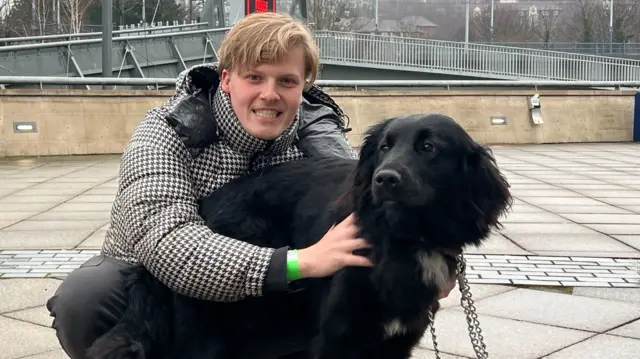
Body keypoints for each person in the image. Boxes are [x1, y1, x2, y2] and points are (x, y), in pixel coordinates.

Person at [45, 12, 458, 359]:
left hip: (272, 280)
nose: (270, 94)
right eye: (254, 77)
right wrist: (298, 263)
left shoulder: (318, 137)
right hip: (151, 277)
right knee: (87, 297)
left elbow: (375, 215)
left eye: (287, 81)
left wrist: (434, 259)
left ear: (304, 87)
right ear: (226, 80)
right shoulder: (166, 132)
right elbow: (167, 243)